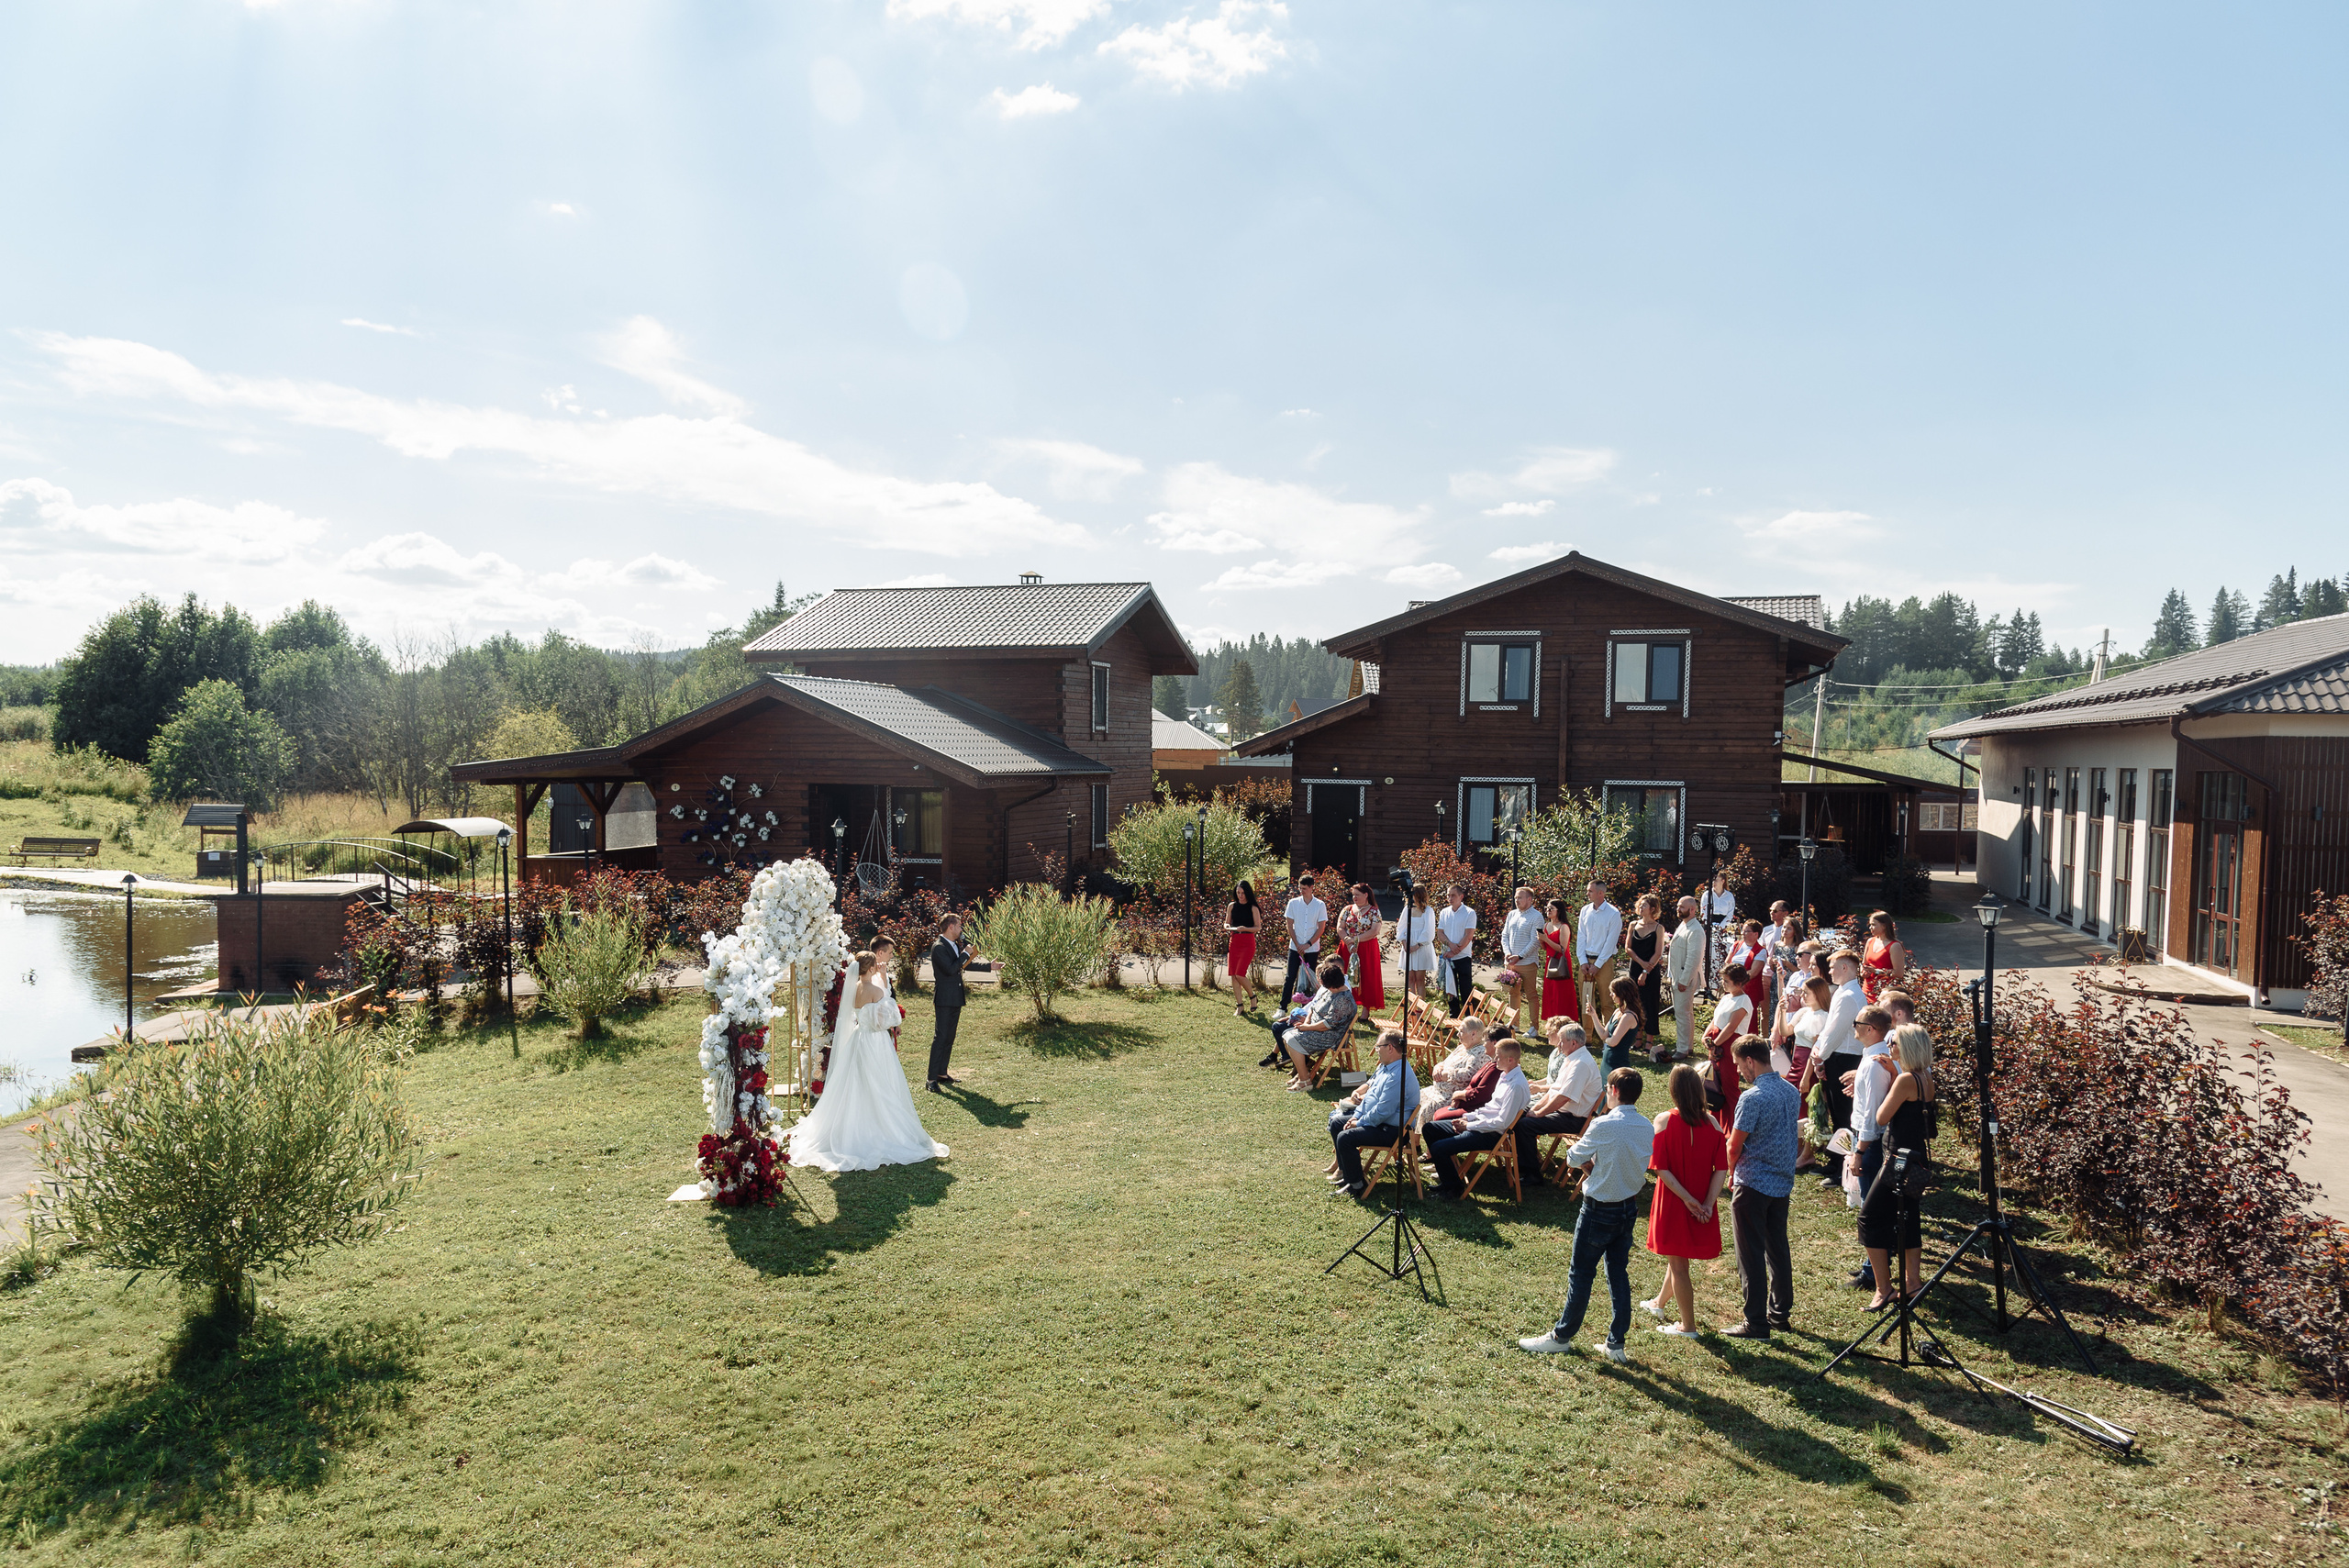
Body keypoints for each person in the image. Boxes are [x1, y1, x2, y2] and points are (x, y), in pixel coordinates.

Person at [1518, 1068, 1655, 1363]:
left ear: (1615, 1091)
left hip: (1599, 1209)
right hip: (1628, 1208)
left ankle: (1561, 1337)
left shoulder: (1603, 1124)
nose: (1605, 1091)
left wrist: (1589, 1166)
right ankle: (1616, 1343)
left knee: (1581, 1274)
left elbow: (1572, 1158)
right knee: (1618, 1275)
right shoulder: (1646, 1126)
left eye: (1607, 1087)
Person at [789, 951, 951, 1171]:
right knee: (881, 1082)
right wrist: (884, 985)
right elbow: (888, 1019)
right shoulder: (876, 990)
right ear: (872, 968)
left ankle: (853, 1124)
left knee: (855, 1081)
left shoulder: (852, 988)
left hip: (858, 1038)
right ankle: (882, 1127)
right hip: (875, 1042)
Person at [1637, 1063, 1729, 1338]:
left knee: (1679, 1264)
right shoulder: (1713, 1122)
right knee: (1678, 1257)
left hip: (1675, 1199)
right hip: (1700, 1198)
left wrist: (1689, 1201)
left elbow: (1660, 1168)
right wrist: (1708, 1203)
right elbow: (1721, 1168)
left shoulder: (1664, 1120)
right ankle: (1658, 1303)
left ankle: (1688, 1326)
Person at [1721, 1036, 1798, 1339]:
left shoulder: (1751, 1098)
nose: (1739, 1071)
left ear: (1750, 1061)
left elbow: (1735, 1144)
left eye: (1740, 1065)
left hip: (1752, 1183)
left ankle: (1755, 1321)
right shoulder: (1791, 1092)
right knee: (1777, 1249)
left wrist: (1729, 1174)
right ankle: (1779, 1313)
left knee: (1750, 1254)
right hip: (1781, 1182)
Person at [1863, 1023, 1937, 1307]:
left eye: (1893, 1043)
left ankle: (1883, 1288)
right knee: (1909, 1219)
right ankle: (1912, 1282)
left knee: (1869, 1218)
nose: (1889, 1047)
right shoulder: (1925, 1077)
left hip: (1898, 1161)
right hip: (1917, 1158)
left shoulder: (1905, 1080)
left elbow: (1882, 1117)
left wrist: (1891, 1079)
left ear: (1907, 1048)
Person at [1796, 950, 1866, 1184]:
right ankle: (1837, 1161)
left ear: (1845, 968)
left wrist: (1819, 1057)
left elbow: (1835, 1032)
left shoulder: (1848, 996)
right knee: (1837, 1113)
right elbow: (1829, 1030)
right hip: (1836, 1056)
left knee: (1843, 1114)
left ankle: (1843, 1167)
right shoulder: (1844, 993)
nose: (1831, 971)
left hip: (1845, 1058)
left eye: (1834, 967)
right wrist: (1820, 1054)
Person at [1427, 1040, 1531, 1198]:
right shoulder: (1505, 1075)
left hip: (1490, 1134)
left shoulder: (1515, 1085)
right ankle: (1449, 1181)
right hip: (1480, 1125)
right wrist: (1467, 1118)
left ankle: (1453, 1189)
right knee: (1430, 1129)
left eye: (1498, 1056)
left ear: (1510, 1060)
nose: (1494, 1060)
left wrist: (1469, 1126)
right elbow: (1490, 1107)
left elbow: (1502, 1122)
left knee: (1439, 1148)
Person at [1329, 1029, 1420, 1199]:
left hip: (1393, 1131)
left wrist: (1359, 1122)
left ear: (1390, 1048)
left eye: (1378, 1046)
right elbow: (1370, 1098)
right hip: (1380, 1122)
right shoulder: (1386, 1067)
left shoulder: (1398, 1075)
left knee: (1345, 1137)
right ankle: (1347, 1174)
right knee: (1337, 1123)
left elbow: (1383, 1111)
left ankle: (1357, 1185)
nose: (1376, 1049)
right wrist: (1356, 1116)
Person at [1843, 1003, 1897, 1289]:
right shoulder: (1872, 1057)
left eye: (1857, 1022)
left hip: (1871, 1144)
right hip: (1867, 1141)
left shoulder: (1877, 1063)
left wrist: (1860, 1150)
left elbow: (1873, 1115)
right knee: (1871, 1206)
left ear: (1871, 1029)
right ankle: (1872, 1264)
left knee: (1870, 1209)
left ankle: (1873, 1272)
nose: (1854, 1027)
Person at [1517, 1018, 1603, 1178]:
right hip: (1564, 1112)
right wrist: (1535, 1109)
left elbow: (1563, 1097)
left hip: (1574, 1118)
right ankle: (1523, 1163)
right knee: (1518, 1113)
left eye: (1562, 1042)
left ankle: (1531, 1174)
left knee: (1525, 1125)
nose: (1558, 1045)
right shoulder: (1571, 1058)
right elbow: (1554, 1091)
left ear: (1574, 1043)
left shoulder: (1581, 1064)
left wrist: (1539, 1113)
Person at [1275, 962, 1357, 1089]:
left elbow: (1328, 1024)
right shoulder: (1330, 991)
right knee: (1286, 1034)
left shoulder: (1343, 999)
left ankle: (1304, 1080)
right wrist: (1307, 1022)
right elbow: (1313, 1008)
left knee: (1291, 1039)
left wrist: (1307, 1028)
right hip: (1317, 1029)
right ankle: (1304, 1074)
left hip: (1331, 1036)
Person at [1703, 962, 1757, 1126]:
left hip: (1729, 1045)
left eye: (1727, 981)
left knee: (1729, 1086)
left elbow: (1731, 1027)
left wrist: (1715, 1044)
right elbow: (1716, 1019)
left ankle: (1735, 1126)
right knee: (1715, 1084)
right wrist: (1706, 1035)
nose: (1723, 984)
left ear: (1739, 983)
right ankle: (1716, 1122)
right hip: (1717, 1043)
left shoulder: (1744, 1001)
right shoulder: (1726, 997)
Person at [926, 914, 975, 1092]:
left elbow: (964, 964)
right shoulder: (938, 947)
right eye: (960, 926)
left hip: (955, 997)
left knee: (949, 1037)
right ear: (951, 927)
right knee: (940, 1038)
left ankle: (941, 1073)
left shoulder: (954, 945)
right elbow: (951, 969)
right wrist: (965, 954)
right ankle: (931, 1079)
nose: (962, 929)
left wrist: (989, 967)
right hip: (944, 998)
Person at [1575, 881, 1623, 1038]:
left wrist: (1597, 964)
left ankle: (1607, 1037)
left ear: (1600, 893)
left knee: (1607, 1001)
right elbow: (1581, 936)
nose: (1587, 893)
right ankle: (1587, 1037)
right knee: (1586, 1000)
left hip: (1604, 962)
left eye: (1590, 891)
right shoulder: (1585, 910)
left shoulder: (1613, 913)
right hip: (1586, 961)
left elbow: (1611, 942)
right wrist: (1583, 961)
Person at [1625, 895, 1665, 1056]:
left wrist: (1646, 971)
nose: (1641, 908)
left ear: (1653, 908)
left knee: (1650, 1004)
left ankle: (1649, 1041)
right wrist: (1640, 963)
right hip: (1635, 967)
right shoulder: (1633, 925)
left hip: (1651, 971)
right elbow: (1628, 948)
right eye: (1640, 905)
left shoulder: (1658, 928)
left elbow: (1658, 952)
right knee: (1635, 1004)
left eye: (1644, 906)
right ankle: (1637, 1039)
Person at [1336, 883, 1386, 1012]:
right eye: (1353, 895)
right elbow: (1340, 927)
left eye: (1357, 895)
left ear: (1366, 895)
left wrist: (1355, 940)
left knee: (1367, 976)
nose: (1354, 898)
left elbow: (1374, 931)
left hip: (1366, 948)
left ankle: (1366, 1007)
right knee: (1345, 975)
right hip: (1347, 947)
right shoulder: (1347, 909)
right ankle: (1345, 1006)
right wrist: (1347, 940)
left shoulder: (1374, 911)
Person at [1282, 875, 1329, 1009]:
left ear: (1311, 887)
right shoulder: (1293, 903)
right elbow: (1290, 926)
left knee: (1309, 978)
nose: (1301, 891)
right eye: (1300, 888)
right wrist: (1297, 944)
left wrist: (1308, 944)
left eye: (1304, 888)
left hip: (1312, 948)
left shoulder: (1320, 905)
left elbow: (1321, 928)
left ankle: (1306, 1007)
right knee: (1290, 977)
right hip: (1295, 947)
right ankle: (1283, 1007)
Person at [1498, 886, 1543, 1021]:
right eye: (1515, 897)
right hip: (1511, 962)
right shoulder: (1512, 914)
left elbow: (1535, 941)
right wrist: (1507, 953)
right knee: (1513, 994)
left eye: (1520, 897)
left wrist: (1520, 956)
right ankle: (1514, 1024)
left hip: (1528, 963)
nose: (1516, 900)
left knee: (1531, 995)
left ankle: (1534, 1027)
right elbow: (1504, 935)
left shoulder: (1537, 916)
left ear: (1529, 899)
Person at [1538, 897, 1580, 1035]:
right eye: (1547, 908)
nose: (1548, 911)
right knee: (1551, 994)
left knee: (1562, 995)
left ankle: (1566, 1026)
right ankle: (1552, 1025)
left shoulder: (1564, 927)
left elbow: (1562, 948)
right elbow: (1545, 948)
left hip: (1561, 962)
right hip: (1550, 961)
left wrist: (1546, 939)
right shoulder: (1546, 926)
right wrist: (1541, 941)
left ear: (1559, 911)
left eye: (1551, 909)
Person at [1667, 895, 1702, 1063]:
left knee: (1682, 1014)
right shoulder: (1684, 925)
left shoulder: (1696, 930)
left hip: (1684, 978)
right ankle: (1687, 1046)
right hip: (1677, 976)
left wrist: (1684, 980)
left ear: (1693, 909)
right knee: (1685, 1013)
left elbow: (1693, 958)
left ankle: (1682, 1049)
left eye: (1682, 907)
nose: (1678, 909)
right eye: (1678, 906)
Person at [1435, 883, 1478, 1015]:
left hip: (1463, 956)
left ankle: (1468, 1017)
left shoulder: (1469, 913)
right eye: (1448, 895)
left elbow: (1468, 935)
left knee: (1465, 988)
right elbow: (1440, 933)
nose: (1450, 898)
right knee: (1450, 989)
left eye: (1453, 895)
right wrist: (1449, 945)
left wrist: (1454, 950)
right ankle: (1453, 1015)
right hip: (1448, 957)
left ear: (1461, 896)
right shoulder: (1444, 912)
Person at [1226, 880, 1261, 1015]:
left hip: (1247, 942)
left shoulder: (1253, 908)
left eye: (1243, 893)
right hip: (1234, 941)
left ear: (1248, 893)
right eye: (1238, 893)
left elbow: (1257, 927)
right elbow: (1226, 923)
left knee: (1240, 974)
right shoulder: (1232, 906)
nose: (1240, 895)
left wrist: (1246, 928)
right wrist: (1228, 927)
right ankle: (1239, 1005)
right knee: (1233, 975)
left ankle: (1252, 997)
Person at [1399, 884, 1438, 1004]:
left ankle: (1420, 1011)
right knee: (1410, 979)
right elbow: (1401, 927)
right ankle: (1411, 1010)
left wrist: (1417, 945)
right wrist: (1404, 944)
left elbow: (1429, 931)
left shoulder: (1428, 911)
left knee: (1420, 980)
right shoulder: (1407, 909)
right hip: (1408, 947)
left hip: (1421, 948)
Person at [1600, 974, 1644, 1073]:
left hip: (1617, 1063)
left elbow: (1613, 1042)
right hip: (1607, 1061)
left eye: (1613, 992)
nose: (1610, 995)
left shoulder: (1628, 1016)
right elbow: (1603, 1034)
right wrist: (1593, 1015)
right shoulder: (1618, 1011)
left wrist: (1606, 1040)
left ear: (1621, 994)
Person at [1862, 909, 1907, 1002]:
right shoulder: (1870, 941)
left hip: (1883, 994)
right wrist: (1863, 972)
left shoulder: (1895, 946)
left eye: (1873, 925)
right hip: (1866, 991)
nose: (1870, 927)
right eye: (1870, 925)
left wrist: (1876, 971)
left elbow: (1899, 973)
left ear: (1884, 926)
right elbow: (1864, 964)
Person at [1702, 873, 1736, 994]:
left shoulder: (1729, 896)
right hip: (1709, 926)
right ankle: (1709, 983)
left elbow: (1730, 914)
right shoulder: (1707, 895)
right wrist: (1710, 926)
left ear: (1723, 881)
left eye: (1716, 879)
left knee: (1725, 950)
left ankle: (1722, 982)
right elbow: (1704, 912)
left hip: (1724, 927)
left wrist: (1721, 927)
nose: (1714, 882)